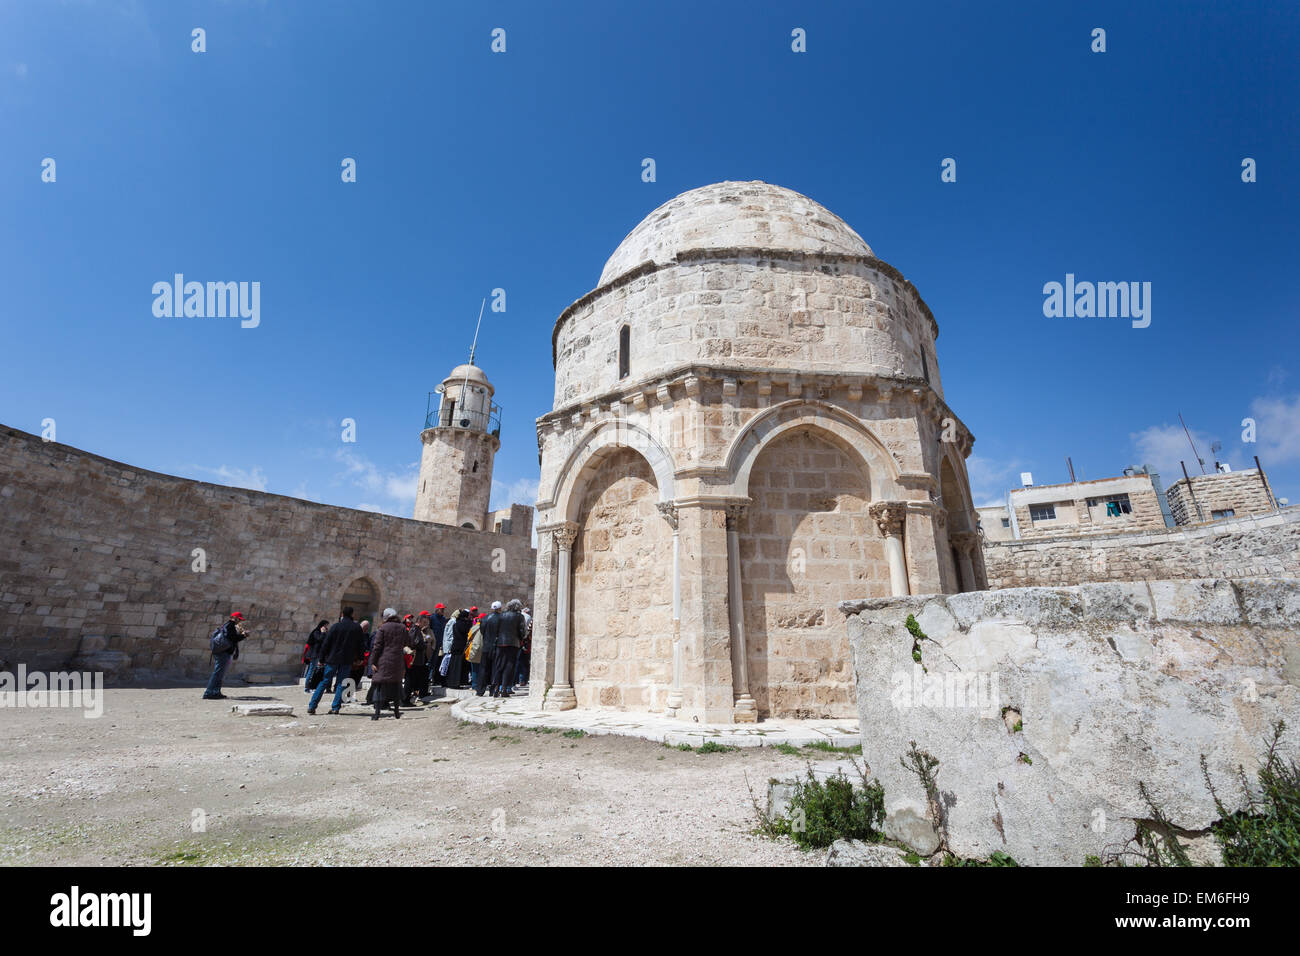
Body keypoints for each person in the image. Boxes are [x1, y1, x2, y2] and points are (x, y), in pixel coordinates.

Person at [309, 606, 366, 715]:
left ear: (342, 614)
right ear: (352, 614)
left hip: (332, 659)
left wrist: (321, 658)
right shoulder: (356, 628)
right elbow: (360, 644)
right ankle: (335, 707)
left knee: (325, 681)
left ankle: (312, 706)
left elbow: (326, 644)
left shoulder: (335, 627)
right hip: (347, 659)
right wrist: (360, 658)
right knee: (341, 683)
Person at [369, 608, 407, 720]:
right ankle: (396, 713)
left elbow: (377, 646)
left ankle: (376, 714)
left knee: (380, 686)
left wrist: (373, 661)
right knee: (396, 686)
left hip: (383, 660)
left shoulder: (383, 628)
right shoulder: (403, 628)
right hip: (398, 660)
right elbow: (407, 642)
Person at [203, 611, 248, 699]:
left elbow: (231, 638)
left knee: (220, 674)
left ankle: (216, 692)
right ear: (234, 618)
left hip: (222, 652)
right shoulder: (230, 625)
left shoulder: (227, 625)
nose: (239, 621)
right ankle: (208, 692)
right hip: (223, 652)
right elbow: (232, 638)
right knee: (218, 673)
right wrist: (243, 636)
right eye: (239, 619)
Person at [493, 599, 527, 697]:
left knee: (499, 665)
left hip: (500, 643)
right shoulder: (519, 616)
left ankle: (496, 689)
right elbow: (522, 631)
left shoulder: (501, 615)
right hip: (513, 643)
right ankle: (504, 689)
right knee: (509, 665)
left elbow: (497, 629)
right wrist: (522, 638)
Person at [476, 602, 502, 696]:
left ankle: (480, 690)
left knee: (483, 668)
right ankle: (492, 690)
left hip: (486, 646)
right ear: (500, 609)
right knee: (495, 668)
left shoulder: (484, 618)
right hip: (496, 646)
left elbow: (482, 631)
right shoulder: (502, 618)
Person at [445, 608, 472, 690]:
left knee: (454, 666)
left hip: (455, 646)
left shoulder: (456, 623)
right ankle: (456, 683)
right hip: (460, 647)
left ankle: (451, 682)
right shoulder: (464, 624)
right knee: (458, 667)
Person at [303, 619, 329, 693]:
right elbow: (319, 639)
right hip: (314, 654)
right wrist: (323, 633)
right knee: (311, 671)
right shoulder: (316, 632)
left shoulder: (322, 633)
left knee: (314, 671)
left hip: (319, 654)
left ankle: (312, 687)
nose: (326, 627)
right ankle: (307, 688)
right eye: (325, 625)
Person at [429, 604, 448, 688]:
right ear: (437, 609)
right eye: (442, 609)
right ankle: (428, 678)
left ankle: (434, 679)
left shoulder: (443, 619)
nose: (443, 611)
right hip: (432, 643)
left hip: (440, 643)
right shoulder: (432, 618)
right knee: (430, 661)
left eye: (443, 609)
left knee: (436, 662)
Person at [516, 606, 532, 688]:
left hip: (517, 641)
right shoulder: (528, 617)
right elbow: (527, 631)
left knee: (518, 661)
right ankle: (522, 680)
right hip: (525, 642)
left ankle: (517, 680)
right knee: (524, 662)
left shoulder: (518, 616)